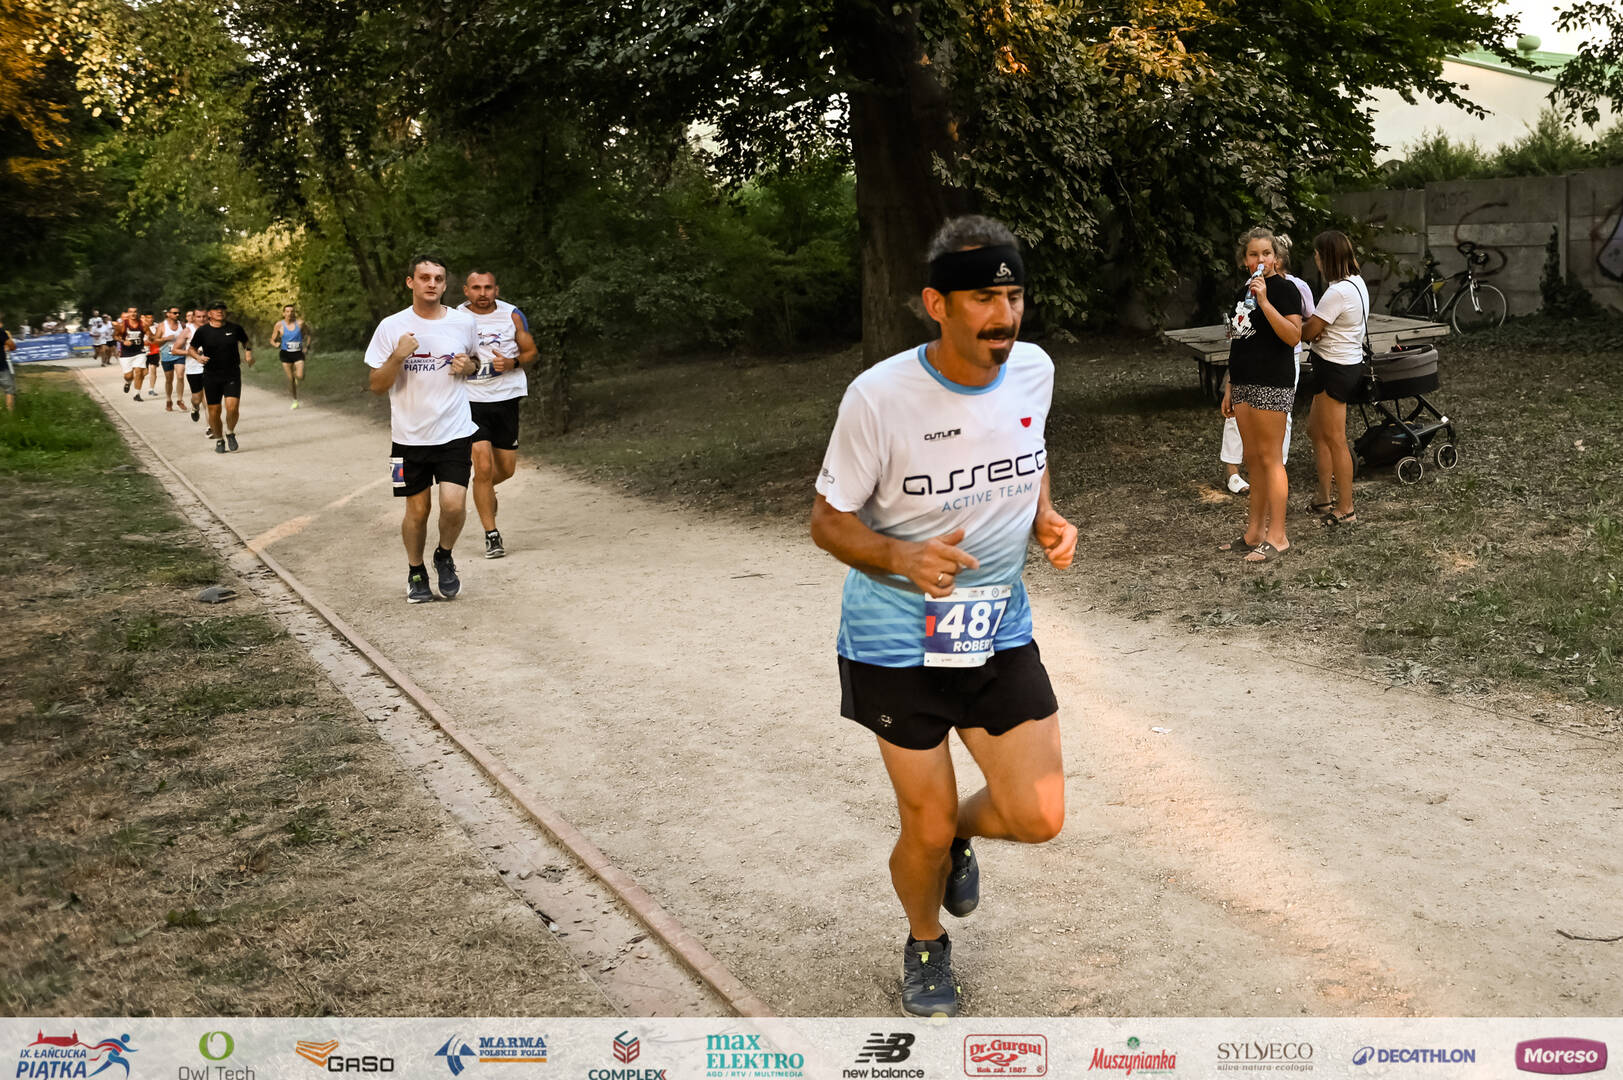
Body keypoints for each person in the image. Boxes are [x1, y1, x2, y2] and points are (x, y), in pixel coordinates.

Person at [809, 215, 1078, 1018]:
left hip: (995, 626)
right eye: (983, 299)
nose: (1004, 315)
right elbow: (827, 522)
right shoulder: (879, 397)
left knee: (1038, 816)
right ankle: (925, 941)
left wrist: (1044, 516)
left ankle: (957, 837)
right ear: (937, 304)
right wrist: (902, 557)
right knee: (919, 828)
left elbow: (1027, 449)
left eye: (1013, 296)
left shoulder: (1033, 370)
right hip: (894, 641)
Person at [364, 254, 480, 603]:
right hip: (408, 437)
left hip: (454, 432)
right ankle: (416, 570)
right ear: (410, 282)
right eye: (425, 277)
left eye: (438, 278)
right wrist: (398, 356)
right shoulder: (391, 327)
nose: (432, 284)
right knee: (417, 511)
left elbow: (475, 363)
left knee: (454, 506)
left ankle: (444, 556)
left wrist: (469, 367)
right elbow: (376, 385)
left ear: (445, 285)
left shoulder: (463, 322)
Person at [1217, 226, 1303, 563]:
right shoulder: (1243, 292)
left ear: (1276, 258)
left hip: (1272, 383)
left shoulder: (1285, 290)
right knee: (1253, 460)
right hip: (1244, 383)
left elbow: (1293, 336)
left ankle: (1278, 536)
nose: (1260, 259)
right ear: (1245, 260)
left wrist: (1265, 301)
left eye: (1266, 253)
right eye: (1254, 254)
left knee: (1271, 459)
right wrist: (1230, 384)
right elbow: (1238, 341)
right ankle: (1254, 533)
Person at [457, 270, 538, 558]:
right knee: (482, 466)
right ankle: (492, 535)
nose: (482, 293)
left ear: (496, 290)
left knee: (505, 469)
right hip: (470, 400)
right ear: (466, 290)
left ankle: (483, 490)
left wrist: (513, 362)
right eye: (476, 287)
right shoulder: (455, 318)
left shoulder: (512, 315)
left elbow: (531, 352)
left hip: (506, 398)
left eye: (488, 287)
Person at [1300, 230, 1369, 527]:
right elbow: (1322, 327)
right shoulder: (1356, 282)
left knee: (1336, 439)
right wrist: (1317, 329)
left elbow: (1308, 331)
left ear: (1326, 257)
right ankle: (1324, 498)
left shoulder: (1337, 292)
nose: (1315, 259)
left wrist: (1304, 326)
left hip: (1335, 368)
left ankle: (1346, 508)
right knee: (1316, 431)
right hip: (1339, 364)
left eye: (1317, 254)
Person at [185, 301, 255, 453]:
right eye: (216, 309)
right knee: (214, 411)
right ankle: (219, 439)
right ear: (209, 313)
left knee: (232, 408)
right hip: (211, 375)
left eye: (222, 309)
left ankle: (230, 432)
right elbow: (191, 349)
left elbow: (246, 341)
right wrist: (198, 357)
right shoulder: (203, 331)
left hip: (232, 374)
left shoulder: (235, 328)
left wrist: (248, 353)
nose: (220, 311)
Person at [270, 303, 310, 409]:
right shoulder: (279, 325)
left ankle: (297, 375)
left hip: (298, 353)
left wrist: (307, 347)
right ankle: (295, 400)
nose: (290, 313)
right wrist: (276, 344)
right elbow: (272, 339)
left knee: (300, 376)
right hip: (285, 354)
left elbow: (308, 334)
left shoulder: (300, 323)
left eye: (292, 311)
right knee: (291, 380)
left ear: (294, 313)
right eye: (287, 311)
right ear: (284, 313)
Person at [173, 310, 206, 423]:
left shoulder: (212, 329)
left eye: (204, 316)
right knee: (197, 399)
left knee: (208, 399)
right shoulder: (188, 331)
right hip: (194, 369)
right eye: (199, 317)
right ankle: (195, 407)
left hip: (210, 368)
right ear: (194, 318)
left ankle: (210, 427)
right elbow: (175, 350)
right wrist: (191, 353)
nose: (202, 319)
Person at [155, 306, 184, 411]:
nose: (177, 315)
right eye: (175, 313)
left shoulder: (182, 325)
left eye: (179, 313)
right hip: (166, 355)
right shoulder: (162, 326)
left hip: (179, 355)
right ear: (168, 314)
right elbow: (155, 341)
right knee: (169, 379)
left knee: (180, 376)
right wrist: (165, 338)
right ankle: (168, 400)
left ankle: (180, 400)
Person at [116, 308, 146, 397]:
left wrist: (153, 339)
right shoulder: (122, 325)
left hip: (139, 352)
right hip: (126, 353)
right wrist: (123, 341)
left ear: (137, 313)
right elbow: (115, 336)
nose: (133, 314)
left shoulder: (142, 324)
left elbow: (150, 335)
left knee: (139, 372)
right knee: (128, 376)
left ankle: (137, 394)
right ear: (128, 313)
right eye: (131, 312)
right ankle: (128, 382)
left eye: (135, 312)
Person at [0, 311, 17, 412]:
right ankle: (10, 415)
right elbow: (12, 345)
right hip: (1, 366)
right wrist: (9, 346)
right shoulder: (1, 332)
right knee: (9, 389)